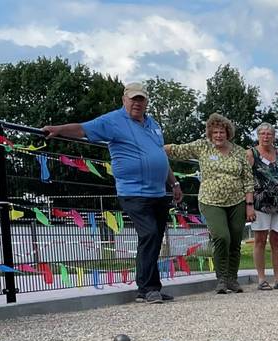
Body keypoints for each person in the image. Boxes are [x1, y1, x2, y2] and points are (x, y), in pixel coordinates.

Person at [41, 82, 183, 304]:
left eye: (141, 99)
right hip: (133, 191)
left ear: (146, 102)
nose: (137, 103)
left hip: (158, 191)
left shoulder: (153, 124)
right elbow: (82, 129)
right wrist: (58, 129)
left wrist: (174, 184)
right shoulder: (113, 121)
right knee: (149, 234)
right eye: (133, 98)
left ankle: (151, 286)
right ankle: (146, 288)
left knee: (154, 238)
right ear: (124, 99)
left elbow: (160, 157)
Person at [165, 114, 255, 294]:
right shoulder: (202, 146)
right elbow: (177, 150)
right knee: (222, 237)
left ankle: (232, 279)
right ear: (210, 133)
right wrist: (155, 147)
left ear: (227, 133)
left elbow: (248, 179)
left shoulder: (239, 151)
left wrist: (249, 204)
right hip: (210, 200)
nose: (218, 136)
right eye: (215, 132)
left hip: (237, 200)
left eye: (221, 132)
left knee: (235, 240)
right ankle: (221, 278)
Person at [247, 123, 278, 290]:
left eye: (269, 134)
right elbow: (246, 180)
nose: (266, 137)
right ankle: (261, 279)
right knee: (260, 240)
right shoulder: (251, 154)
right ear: (258, 136)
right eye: (263, 134)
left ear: (273, 136)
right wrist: (249, 204)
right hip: (260, 204)